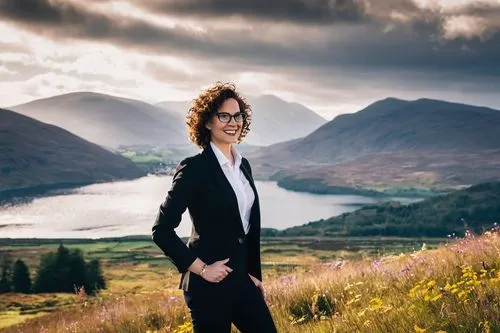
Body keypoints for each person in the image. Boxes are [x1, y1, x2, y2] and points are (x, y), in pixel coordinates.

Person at [152, 82, 277, 332]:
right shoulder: (193, 170)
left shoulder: (243, 166)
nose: (233, 122)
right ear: (208, 122)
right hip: (207, 287)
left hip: (242, 282)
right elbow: (161, 230)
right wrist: (202, 269)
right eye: (224, 116)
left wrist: (253, 273)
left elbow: (247, 229)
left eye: (238, 115)